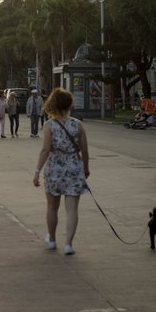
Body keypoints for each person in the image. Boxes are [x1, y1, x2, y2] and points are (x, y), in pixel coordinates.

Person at [33, 88, 90, 256]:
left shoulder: (49, 125)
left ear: (53, 104)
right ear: (69, 103)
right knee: (72, 209)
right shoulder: (78, 124)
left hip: (54, 169)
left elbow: (45, 150)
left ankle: (51, 240)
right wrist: (85, 168)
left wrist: (37, 171)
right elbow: (85, 151)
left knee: (52, 207)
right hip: (74, 168)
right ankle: (68, 244)